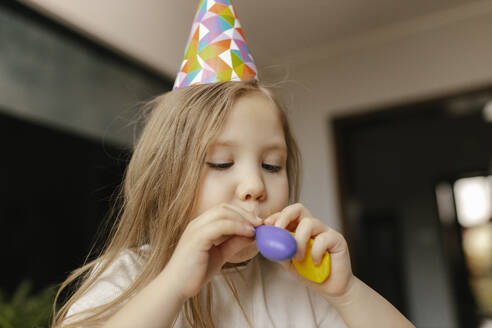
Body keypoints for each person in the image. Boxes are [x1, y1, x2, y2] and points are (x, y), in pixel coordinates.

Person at [52, 1, 415, 328]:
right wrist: (172, 286)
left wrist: (347, 292)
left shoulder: (301, 287)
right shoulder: (125, 276)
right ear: (166, 179)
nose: (255, 185)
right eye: (221, 162)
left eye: (272, 165)